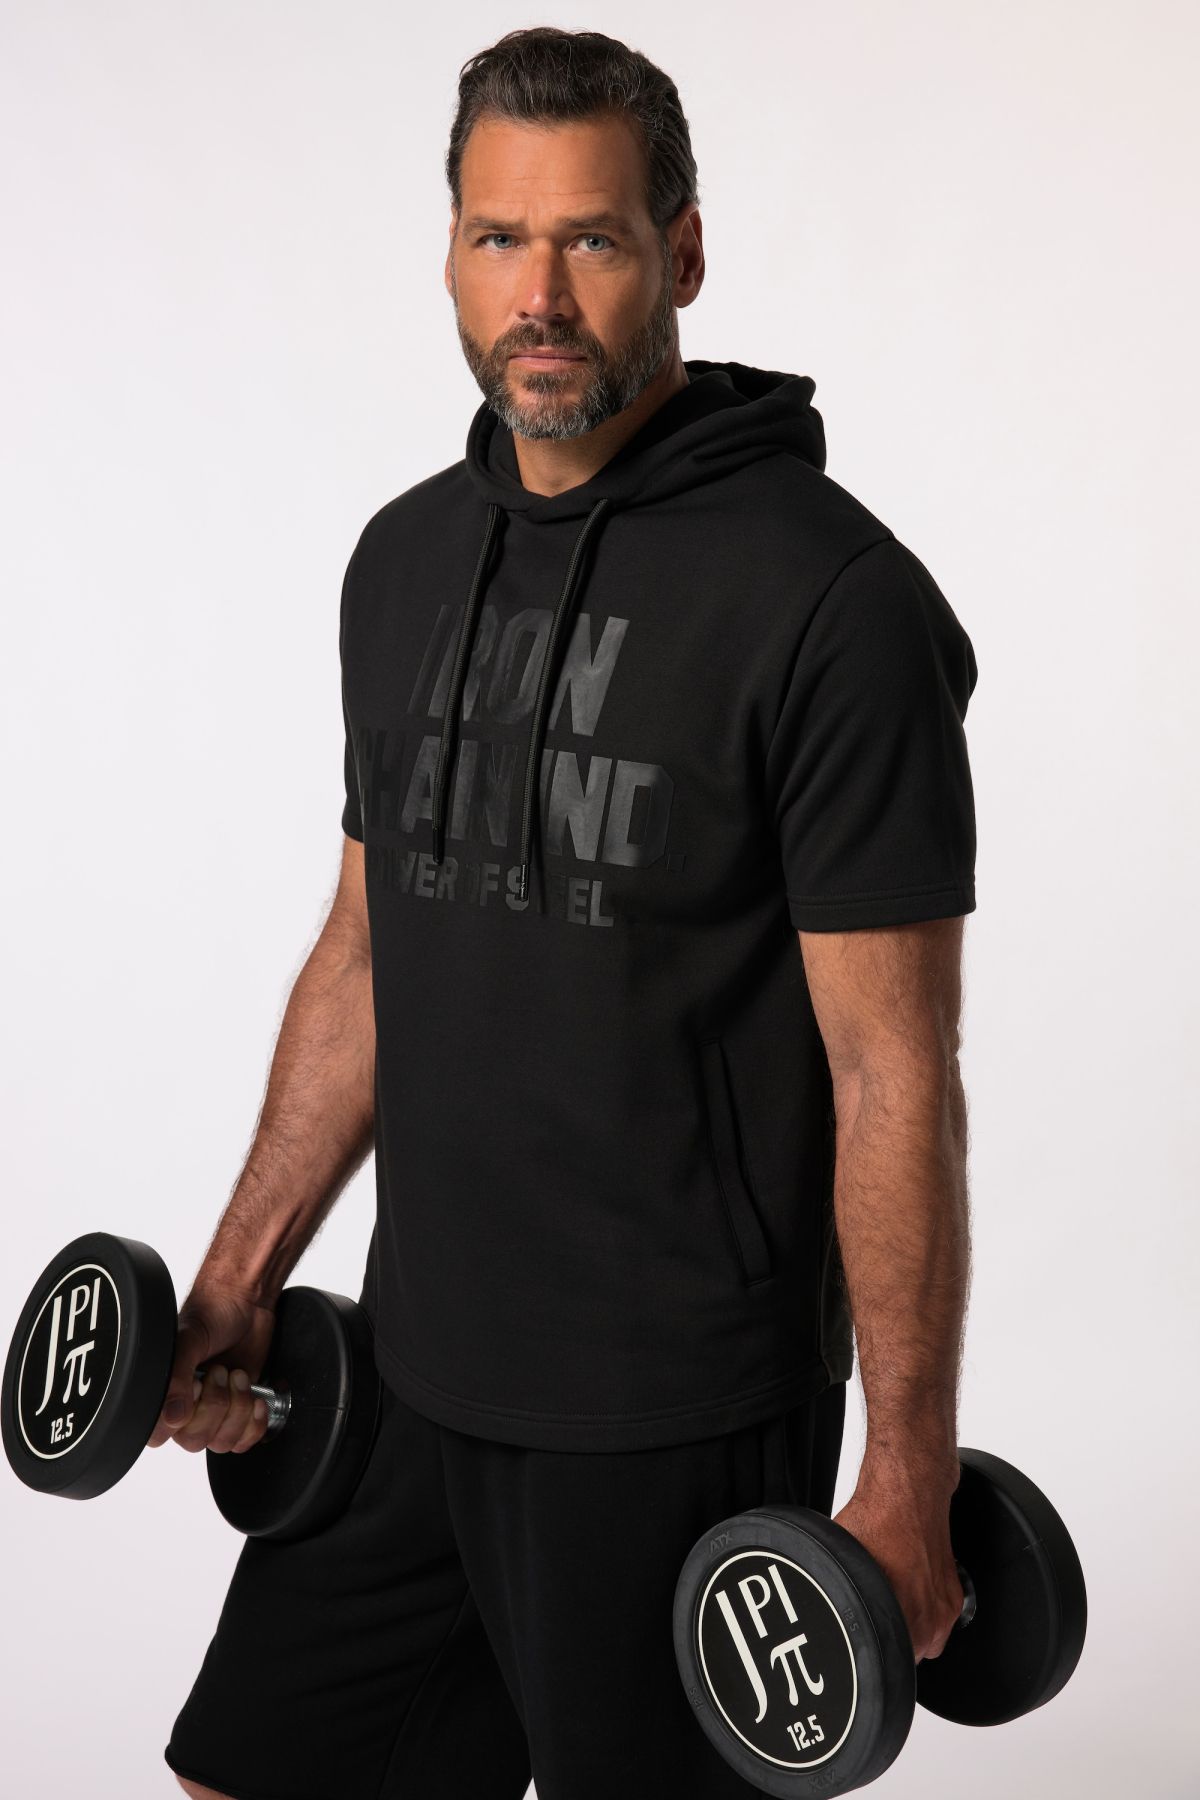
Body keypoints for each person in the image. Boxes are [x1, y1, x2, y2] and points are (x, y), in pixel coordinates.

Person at [157, 25, 977, 1800]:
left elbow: (893, 1069)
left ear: (682, 251)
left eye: (591, 240)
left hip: (671, 1424)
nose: (538, 296)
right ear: (450, 250)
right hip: (413, 1374)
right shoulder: (402, 561)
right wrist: (234, 1281)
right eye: (497, 238)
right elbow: (368, 954)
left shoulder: (833, 603)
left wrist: (908, 1466)